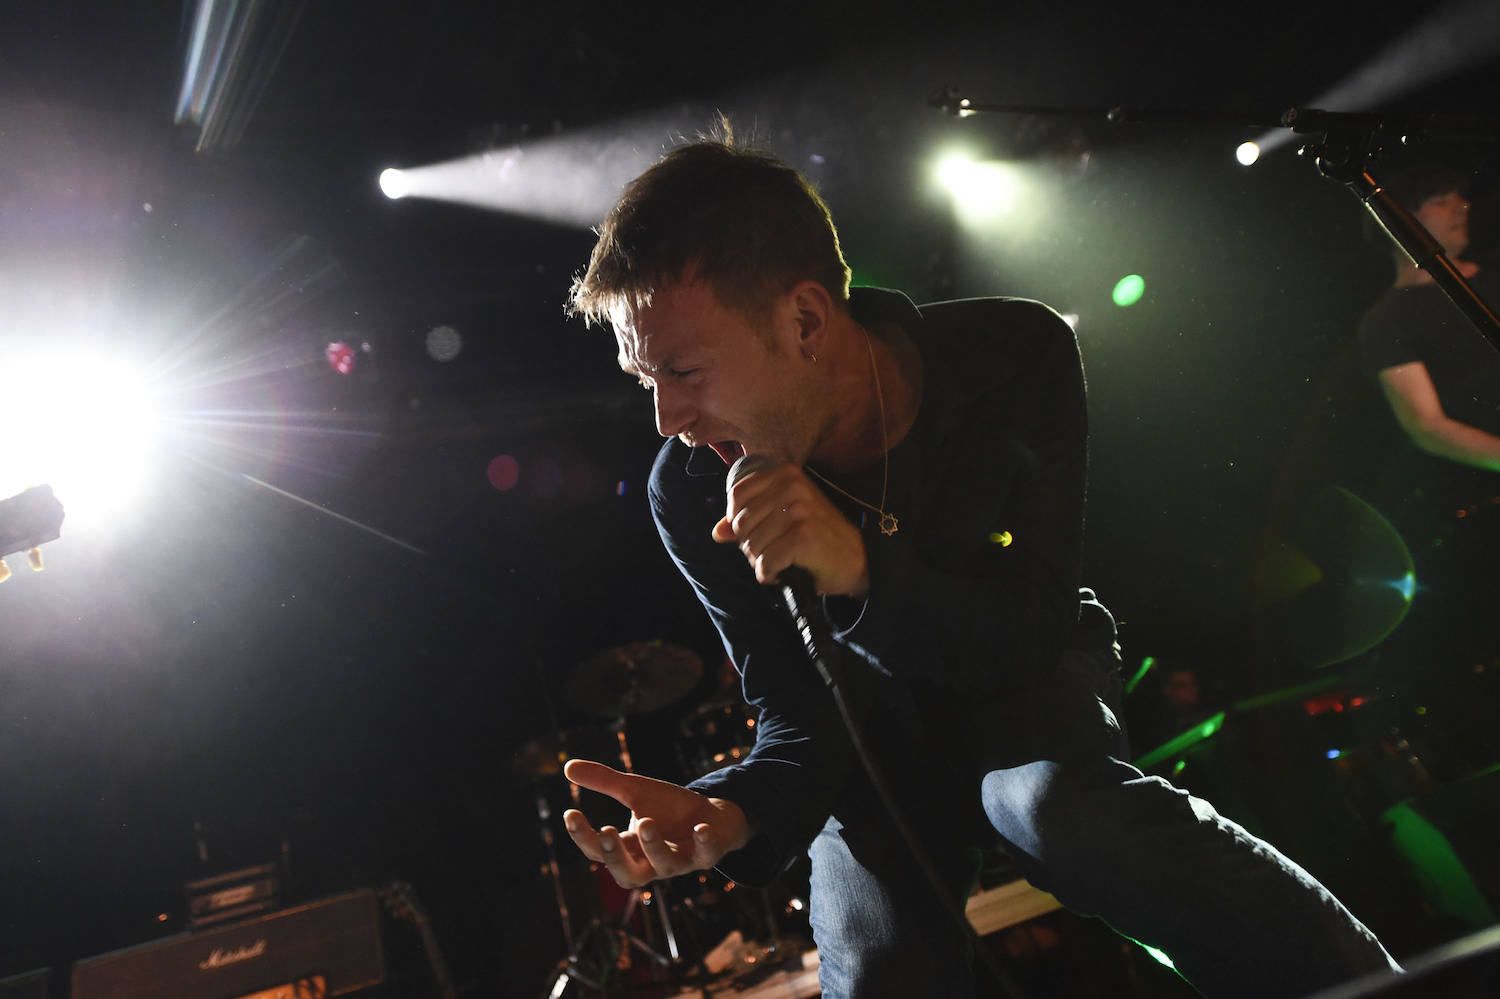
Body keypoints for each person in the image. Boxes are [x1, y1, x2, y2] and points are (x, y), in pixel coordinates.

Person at [560, 134, 1398, 999]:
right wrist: (732, 809)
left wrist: (862, 571)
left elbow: (1028, 628)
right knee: (880, 966)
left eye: (683, 370)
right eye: (645, 379)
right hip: (872, 749)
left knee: (1065, 815)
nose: (666, 418)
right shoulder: (690, 488)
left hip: (1028, 682)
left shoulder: (1013, 354)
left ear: (804, 321)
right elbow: (799, 706)